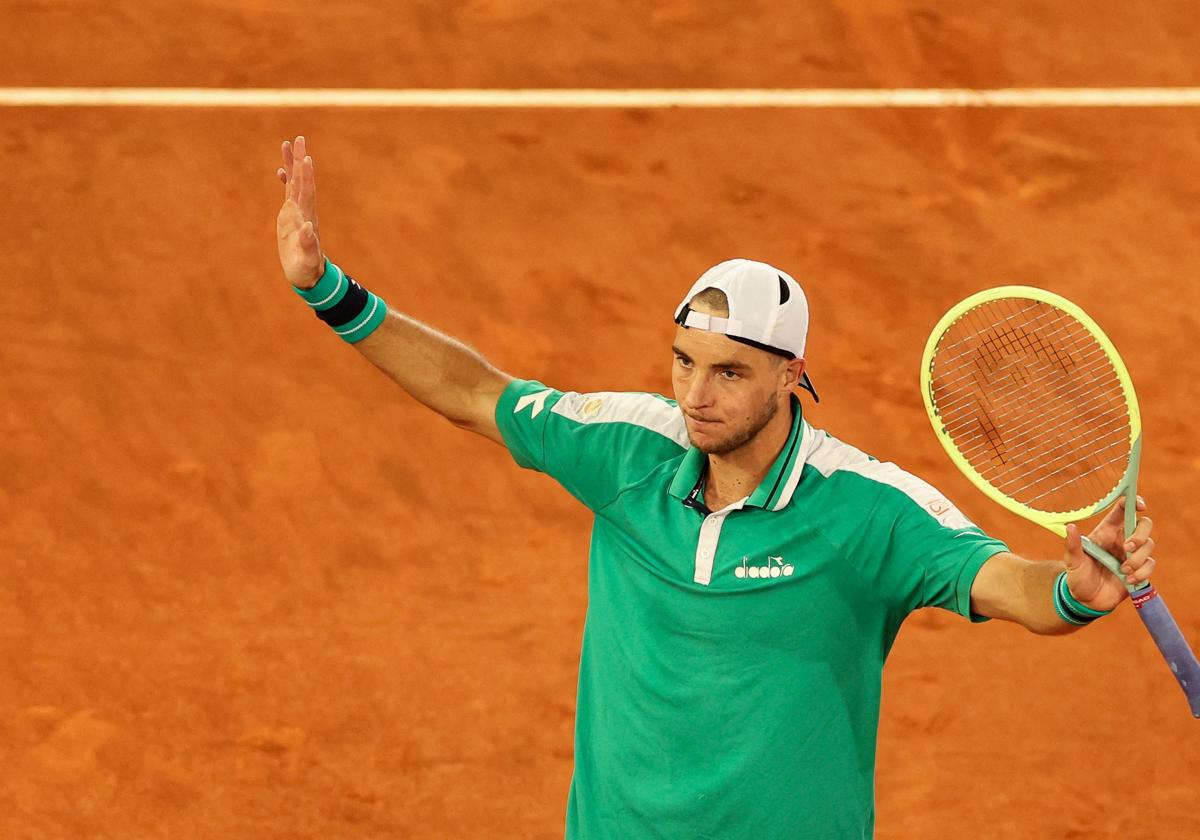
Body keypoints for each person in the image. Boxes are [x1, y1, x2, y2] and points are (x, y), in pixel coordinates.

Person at [274, 136, 1157, 839]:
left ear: (790, 375)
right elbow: (474, 393)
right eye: (685, 362)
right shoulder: (626, 449)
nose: (695, 394)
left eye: (730, 373)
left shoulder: (864, 507)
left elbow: (1007, 584)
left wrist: (1075, 591)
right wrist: (329, 291)